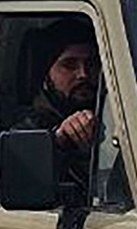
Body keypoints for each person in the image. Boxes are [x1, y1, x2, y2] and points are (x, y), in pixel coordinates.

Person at [11, 17, 100, 191]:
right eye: (69, 65)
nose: (83, 74)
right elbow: (21, 185)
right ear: (46, 74)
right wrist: (59, 140)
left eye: (91, 64)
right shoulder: (27, 130)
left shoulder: (119, 116)